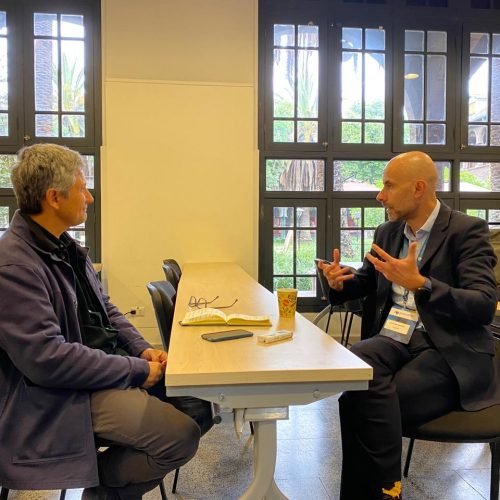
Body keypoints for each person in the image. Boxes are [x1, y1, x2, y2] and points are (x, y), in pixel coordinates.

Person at [0, 144, 211, 499]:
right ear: (54, 198)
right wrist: (135, 371)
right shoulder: (14, 266)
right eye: (82, 188)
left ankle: (104, 489)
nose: (90, 197)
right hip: (60, 395)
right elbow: (48, 361)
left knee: (200, 405)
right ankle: (101, 490)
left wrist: (141, 350)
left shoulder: (64, 246)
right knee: (180, 436)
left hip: (101, 371)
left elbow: (107, 311)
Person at [319, 151, 499, 500]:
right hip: (394, 337)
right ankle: (383, 493)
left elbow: (482, 304)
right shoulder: (387, 231)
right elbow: (369, 280)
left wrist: (423, 285)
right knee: (356, 366)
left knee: (359, 401)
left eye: (388, 185)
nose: (380, 195)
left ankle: (385, 493)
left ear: (418, 188)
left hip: (447, 348)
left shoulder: (466, 231)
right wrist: (340, 282)